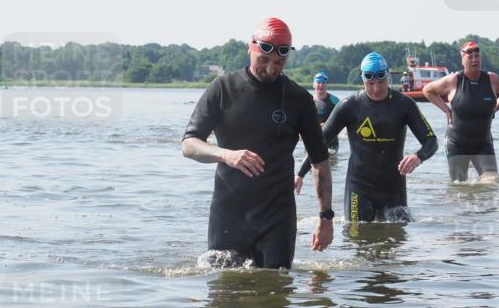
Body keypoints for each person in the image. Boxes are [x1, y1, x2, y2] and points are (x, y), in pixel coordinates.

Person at [182, 18, 334, 269]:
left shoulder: (299, 99)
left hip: (277, 217)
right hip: (228, 214)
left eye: (279, 63)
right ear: (250, 48)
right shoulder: (223, 88)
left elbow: (320, 162)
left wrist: (325, 217)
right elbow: (189, 144)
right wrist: (225, 155)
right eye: (264, 60)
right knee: (225, 298)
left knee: (276, 292)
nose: (271, 69)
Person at [295, 52, 438, 222]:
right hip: (359, 187)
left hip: (394, 188)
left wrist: (418, 157)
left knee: (397, 244)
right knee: (358, 240)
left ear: (388, 77)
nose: (376, 89)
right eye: (370, 83)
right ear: (363, 80)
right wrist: (300, 174)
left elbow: (431, 141)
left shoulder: (404, 104)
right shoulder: (349, 106)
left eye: (381, 82)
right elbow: (319, 143)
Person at [422, 40, 499, 181]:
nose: (474, 60)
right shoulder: (454, 80)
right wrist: (446, 110)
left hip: (483, 144)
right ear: (462, 60)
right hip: (456, 143)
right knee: (459, 187)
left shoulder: (492, 79)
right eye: (470, 57)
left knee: (492, 182)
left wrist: (494, 109)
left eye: (477, 56)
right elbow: (427, 90)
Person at [312, 72, 340, 152]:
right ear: (313, 85)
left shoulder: (334, 100)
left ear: (326, 85)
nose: (320, 85)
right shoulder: (309, 101)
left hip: (331, 143)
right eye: (318, 82)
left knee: (331, 162)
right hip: (313, 142)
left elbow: (343, 118)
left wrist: (328, 125)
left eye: (323, 83)